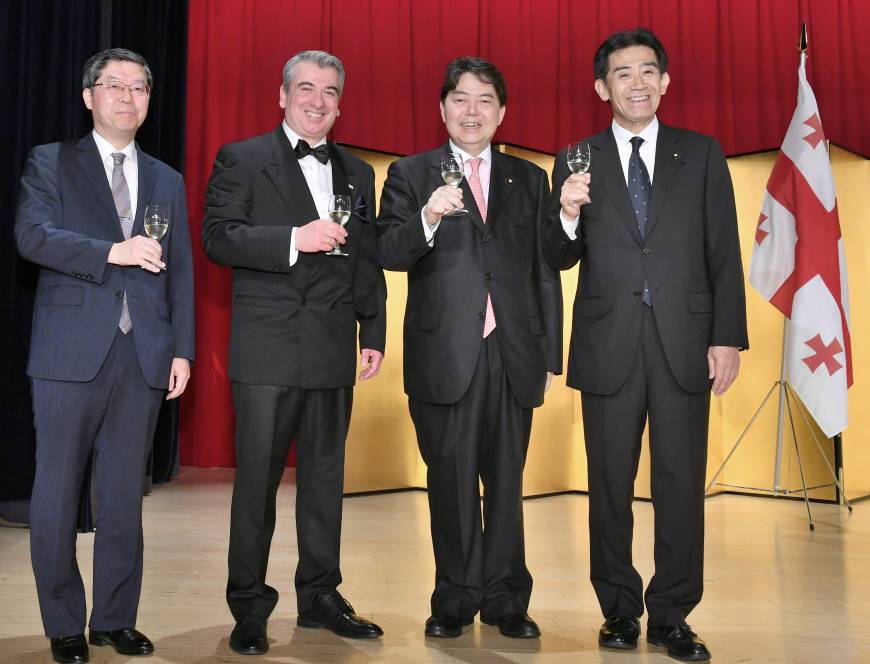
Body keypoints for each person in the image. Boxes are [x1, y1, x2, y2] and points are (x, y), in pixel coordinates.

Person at [546, 29, 748, 662]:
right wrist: (568, 214)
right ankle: (618, 612)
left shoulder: (703, 153)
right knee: (608, 486)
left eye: (647, 71)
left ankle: (672, 615)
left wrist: (726, 337)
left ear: (664, 82)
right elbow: (556, 255)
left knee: (681, 484)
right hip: (609, 345)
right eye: (622, 73)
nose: (636, 82)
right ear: (601, 87)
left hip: (686, 344)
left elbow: (723, 252)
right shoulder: (575, 158)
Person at [202, 50, 387, 655]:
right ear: (282, 96)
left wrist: (375, 332)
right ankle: (250, 605)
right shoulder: (243, 157)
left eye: (330, 91)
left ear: (340, 101)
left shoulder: (360, 172)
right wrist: (292, 239)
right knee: (255, 483)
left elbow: (366, 258)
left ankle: (320, 596)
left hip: (333, 347)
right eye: (305, 88)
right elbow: (218, 237)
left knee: (326, 483)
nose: (317, 100)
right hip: (267, 347)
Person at [15, 48, 195, 664]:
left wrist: (183, 351)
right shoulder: (52, 162)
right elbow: (32, 236)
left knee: (122, 499)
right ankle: (64, 623)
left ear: (149, 101)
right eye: (114, 85)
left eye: (139, 87)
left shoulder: (166, 178)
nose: (127, 96)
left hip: (143, 354)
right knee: (58, 495)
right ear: (89, 96)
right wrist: (110, 252)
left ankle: (114, 619)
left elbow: (183, 276)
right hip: (69, 354)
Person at [377, 56, 562, 640]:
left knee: (506, 482)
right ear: (443, 108)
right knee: (450, 481)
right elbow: (387, 252)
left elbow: (544, 270)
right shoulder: (410, 174)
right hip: (444, 354)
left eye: (485, 100)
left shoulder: (529, 179)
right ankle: (454, 598)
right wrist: (428, 217)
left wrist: (549, 351)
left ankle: (508, 599)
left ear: (502, 112)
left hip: (512, 353)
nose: (472, 110)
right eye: (461, 98)